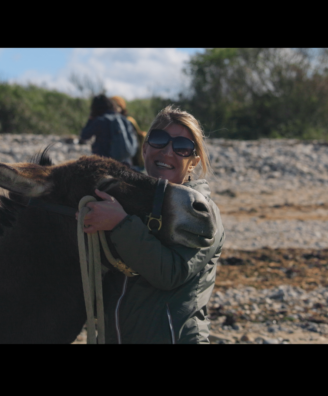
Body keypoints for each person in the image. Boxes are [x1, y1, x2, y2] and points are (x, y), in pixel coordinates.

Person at [81, 105, 225, 344]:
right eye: (159, 140)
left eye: (182, 148)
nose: (168, 152)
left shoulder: (201, 212)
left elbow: (170, 273)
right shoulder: (124, 201)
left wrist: (120, 224)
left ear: (193, 161)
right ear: (145, 147)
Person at [80, 94, 136, 166]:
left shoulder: (100, 120)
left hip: (105, 163)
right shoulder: (124, 119)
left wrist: (90, 119)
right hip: (125, 161)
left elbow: (84, 136)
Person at [110, 96, 147, 169]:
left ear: (121, 107)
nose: (112, 108)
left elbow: (134, 144)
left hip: (129, 161)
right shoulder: (110, 121)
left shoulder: (128, 121)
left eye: (115, 106)